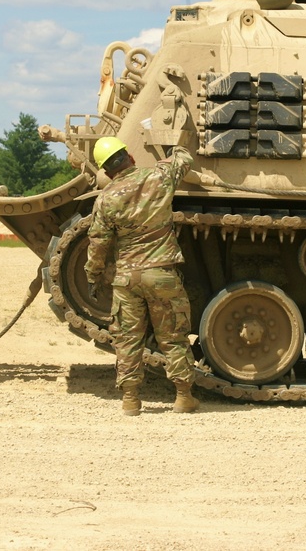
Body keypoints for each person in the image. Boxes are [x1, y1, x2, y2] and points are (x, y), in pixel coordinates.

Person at [84, 137, 199, 416]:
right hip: (161, 274)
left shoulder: (105, 199)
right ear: (130, 157)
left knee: (127, 338)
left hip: (126, 278)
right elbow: (184, 158)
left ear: (106, 172)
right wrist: (171, 145)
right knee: (173, 335)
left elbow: (98, 243)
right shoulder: (158, 177)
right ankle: (184, 397)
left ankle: (131, 400)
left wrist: (93, 275)